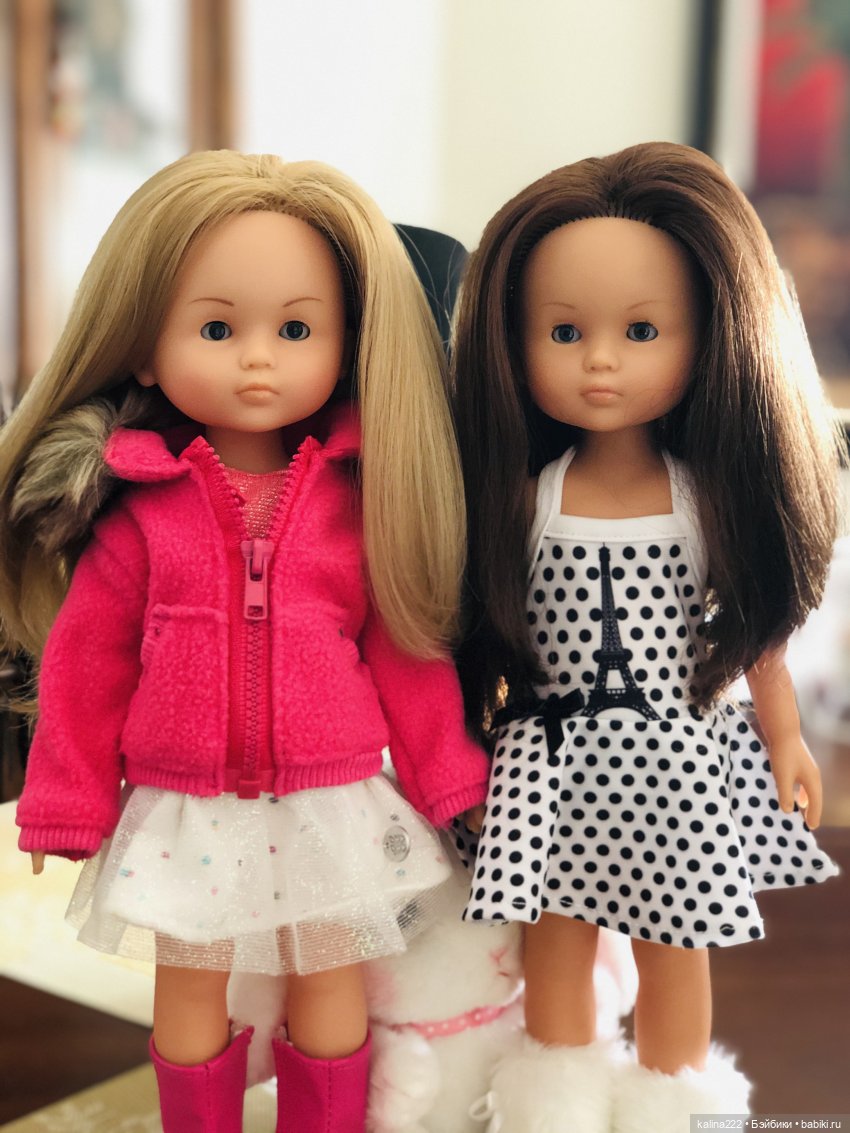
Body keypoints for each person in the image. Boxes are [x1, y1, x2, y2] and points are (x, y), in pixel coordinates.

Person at [0, 150, 490, 1133]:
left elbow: (406, 654)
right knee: (190, 982)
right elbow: (87, 668)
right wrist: (67, 798)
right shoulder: (141, 512)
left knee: (328, 974)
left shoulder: (357, 503)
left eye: (296, 329)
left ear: (347, 344)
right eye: (218, 329)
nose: (258, 358)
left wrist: (453, 779)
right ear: (145, 349)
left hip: (331, 794)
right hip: (186, 802)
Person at [451, 141, 841, 1132]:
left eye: (640, 330)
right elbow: (484, 625)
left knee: (677, 941)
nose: (600, 360)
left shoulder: (703, 499)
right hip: (552, 751)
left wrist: (784, 734)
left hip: (674, 748)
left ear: (709, 338)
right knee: (554, 936)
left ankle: (675, 1103)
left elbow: (754, 628)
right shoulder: (527, 500)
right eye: (564, 331)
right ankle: (554, 1102)